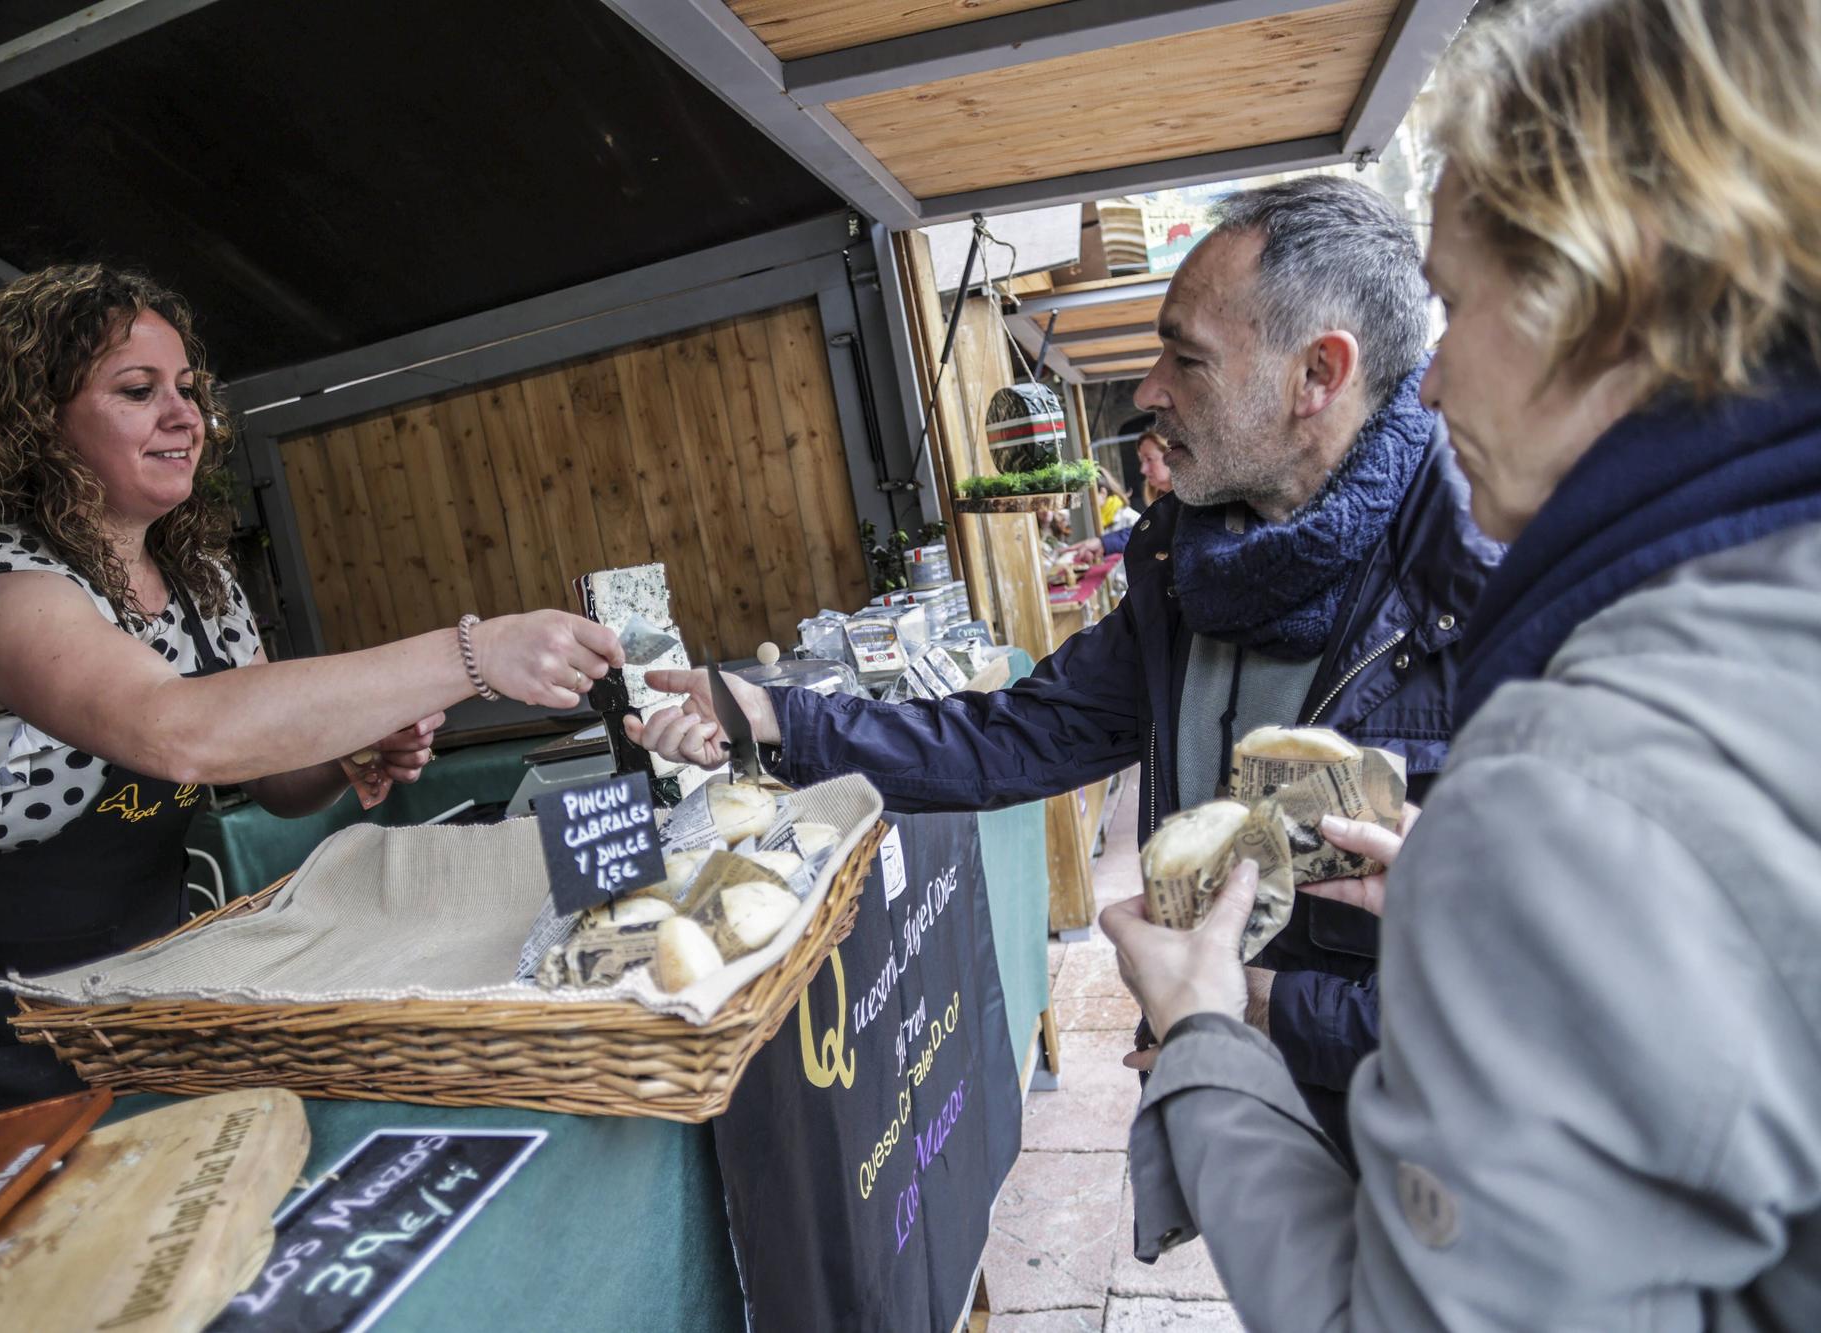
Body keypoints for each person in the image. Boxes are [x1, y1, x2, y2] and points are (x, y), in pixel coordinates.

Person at [1102, 0, 1821, 1324]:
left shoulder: (1579, 779)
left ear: (1611, 288)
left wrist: (1208, 1031)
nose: (1426, 386)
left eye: (1454, 303)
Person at [631, 175, 1502, 1147]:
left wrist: (1256, 1014)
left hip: (1438, 1158)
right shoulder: (1188, 564)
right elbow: (1016, 737)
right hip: (1247, 1120)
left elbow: (1571, 994)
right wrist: (772, 718)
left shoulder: (1488, 582)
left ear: (1317, 376)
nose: (1146, 392)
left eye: (1187, 357)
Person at [0, 265, 623, 1148]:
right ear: (36, 422)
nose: (184, 416)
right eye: (138, 390)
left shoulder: (200, 584)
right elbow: (178, 732)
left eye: (189, 391)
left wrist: (347, 748)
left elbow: (279, 781)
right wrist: (474, 653)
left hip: (117, 976)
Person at [1068, 422, 1173, 565]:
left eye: (1149, 459)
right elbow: (1148, 534)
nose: (1142, 469)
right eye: (1142, 461)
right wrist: (1102, 543)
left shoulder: (1190, 502)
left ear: (1172, 455)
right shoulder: (1165, 505)